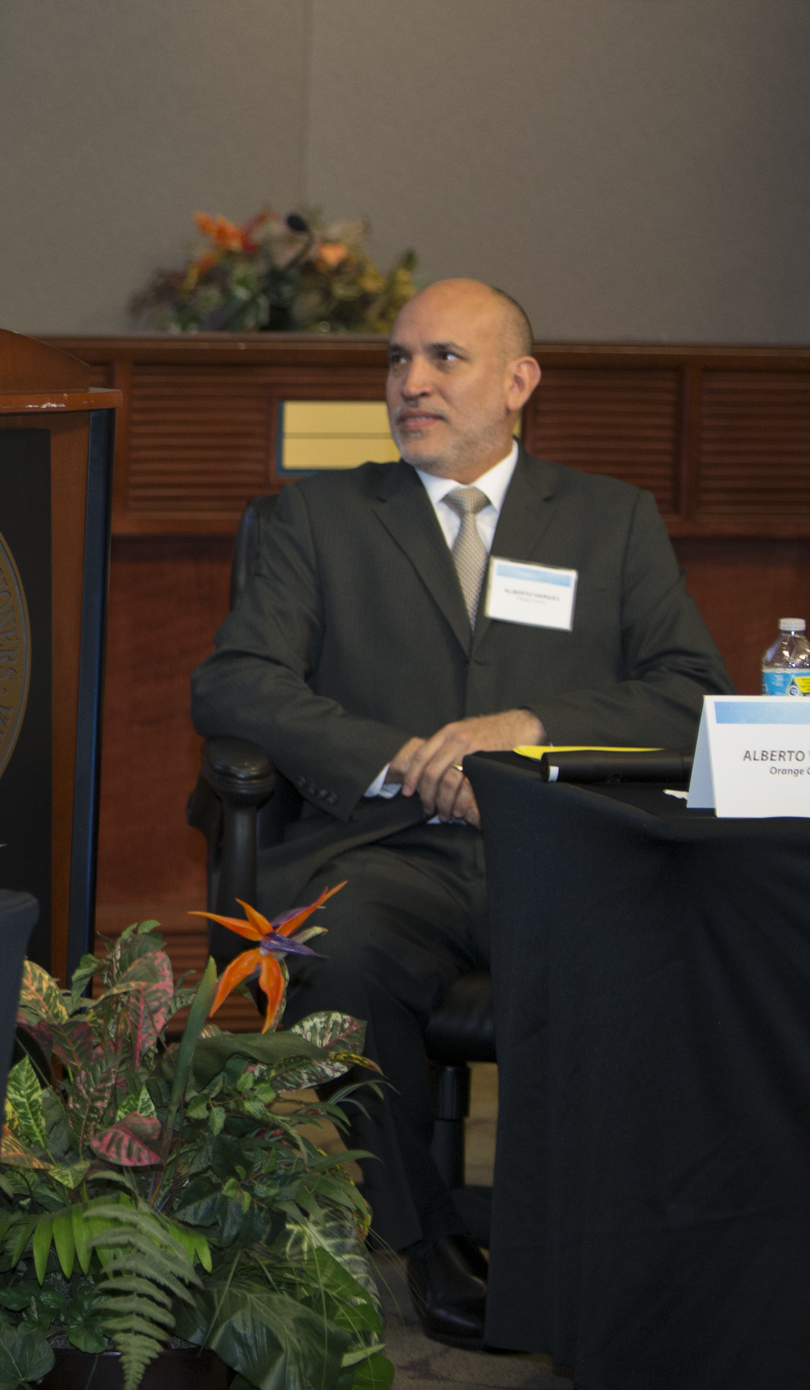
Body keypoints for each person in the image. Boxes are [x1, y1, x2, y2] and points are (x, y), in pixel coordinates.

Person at [192, 277, 733, 1345]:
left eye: (445, 358)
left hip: (567, 854)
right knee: (338, 957)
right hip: (389, 851)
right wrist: (395, 757)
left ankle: (620, 1254)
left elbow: (690, 695)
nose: (412, 383)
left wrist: (530, 726)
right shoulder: (320, 517)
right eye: (398, 360)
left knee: (684, 959)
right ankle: (424, 1240)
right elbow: (237, 683)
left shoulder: (609, 521)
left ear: (520, 382)